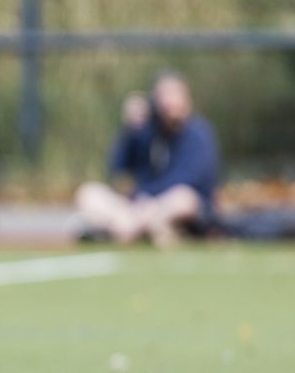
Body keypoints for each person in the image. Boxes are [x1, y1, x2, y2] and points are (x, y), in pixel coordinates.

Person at [75, 72, 219, 246]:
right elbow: (117, 169)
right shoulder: (145, 132)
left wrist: (148, 198)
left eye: (174, 94)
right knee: (88, 193)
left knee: (183, 199)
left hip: (171, 207)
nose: (169, 102)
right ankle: (144, 231)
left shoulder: (198, 134)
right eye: (164, 95)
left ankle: (123, 231)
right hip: (139, 207)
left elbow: (187, 179)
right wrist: (129, 130)